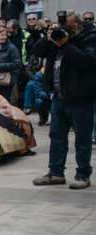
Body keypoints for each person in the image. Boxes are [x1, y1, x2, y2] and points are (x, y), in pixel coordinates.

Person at [32, 12, 96, 188]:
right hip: (59, 98)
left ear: (78, 25)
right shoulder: (56, 40)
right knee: (56, 137)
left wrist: (66, 43)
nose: (64, 29)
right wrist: (48, 37)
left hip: (81, 99)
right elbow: (37, 51)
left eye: (68, 25)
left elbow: (86, 61)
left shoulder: (89, 39)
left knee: (82, 139)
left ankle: (83, 175)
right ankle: (55, 173)